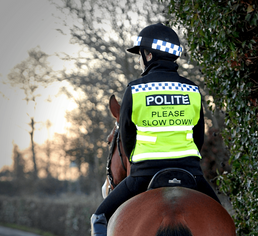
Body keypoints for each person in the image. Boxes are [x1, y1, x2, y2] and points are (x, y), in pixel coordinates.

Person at [91, 23, 220, 236]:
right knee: (220, 216)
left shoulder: (135, 89)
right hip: (191, 172)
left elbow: (127, 137)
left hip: (143, 173)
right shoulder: (192, 90)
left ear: (149, 55)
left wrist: (139, 161)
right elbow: (198, 138)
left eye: (141, 54)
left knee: (99, 218)